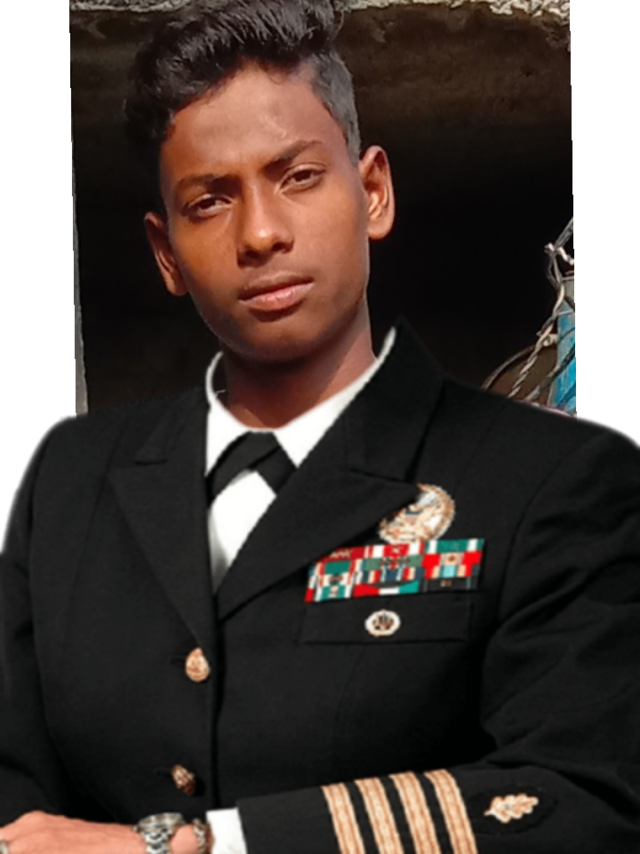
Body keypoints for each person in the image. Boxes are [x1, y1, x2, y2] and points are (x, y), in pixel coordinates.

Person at [1, 1, 640, 852]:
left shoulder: (553, 480)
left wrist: (193, 845)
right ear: (165, 253)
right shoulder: (73, 482)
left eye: (298, 176)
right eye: (209, 201)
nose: (261, 233)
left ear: (372, 192)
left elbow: (585, 799)